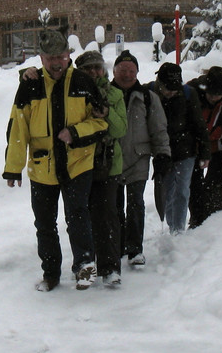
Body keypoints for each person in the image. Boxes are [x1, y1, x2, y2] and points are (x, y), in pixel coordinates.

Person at [3, 30, 108, 292]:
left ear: (68, 56)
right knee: (45, 224)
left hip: (77, 165)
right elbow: (18, 129)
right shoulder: (30, 85)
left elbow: (101, 123)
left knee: (78, 217)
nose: (56, 63)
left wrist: (75, 133)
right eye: (50, 58)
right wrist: (13, 168)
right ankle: (50, 274)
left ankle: (84, 266)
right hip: (42, 168)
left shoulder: (83, 82)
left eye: (61, 57)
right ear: (41, 58)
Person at [111, 49, 170, 267]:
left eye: (131, 71)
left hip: (139, 157)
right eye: (122, 70)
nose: (127, 75)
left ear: (137, 73)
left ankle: (135, 249)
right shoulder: (106, 95)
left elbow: (159, 129)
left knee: (135, 203)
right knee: (114, 206)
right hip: (113, 158)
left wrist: (162, 154)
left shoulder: (148, 97)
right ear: (114, 71)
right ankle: (117, 246)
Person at [74, 49, 127, 288]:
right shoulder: (73, 93)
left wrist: (107, 114)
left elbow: (120, 129)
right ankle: (84, 267)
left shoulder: (114, 94)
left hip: (108, 164)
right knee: (80, 218)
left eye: (98, 67)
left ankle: (110, 268)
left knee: (107, 218)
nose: (94, 73)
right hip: (78, 164)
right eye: (89, 69)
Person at [148, 62, 210, 233]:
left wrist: (205, 152)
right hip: (162, 152)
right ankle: (171, 226)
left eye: (175, 89)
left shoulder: (189, 94)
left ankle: (178, 230)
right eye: (168, 89)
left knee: (182, 191)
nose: (172, 92)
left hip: (186, 150)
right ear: (159, 83)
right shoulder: (149, 93)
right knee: (167, 191)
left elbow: (199, 124)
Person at [188, 66, 222, 227]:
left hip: (217, 148)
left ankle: (215, 222)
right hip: (193, 146)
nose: (213, 98)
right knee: (194, 185)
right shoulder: (192, 95)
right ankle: (197, 220)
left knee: (214, 184)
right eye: (210, 93)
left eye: (217, 94)